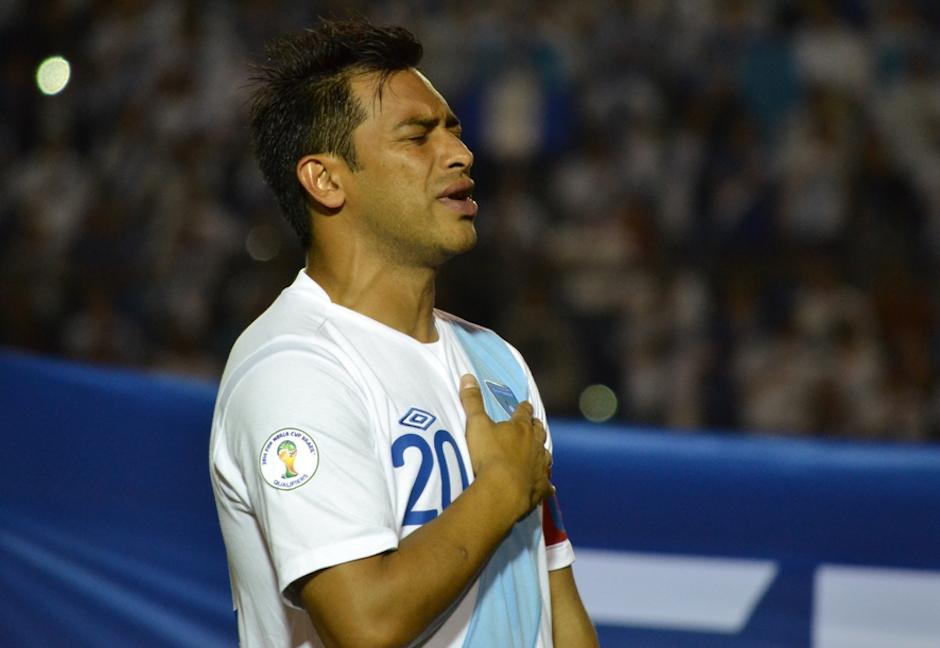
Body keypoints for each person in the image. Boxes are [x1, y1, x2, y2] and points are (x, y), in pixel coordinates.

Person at [209, 18, 598, 648]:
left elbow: (555, 604)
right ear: (326, 179)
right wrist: (500, 488)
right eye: (418, 137)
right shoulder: (293, 369)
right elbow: (364, 625)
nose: (461, 154)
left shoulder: (498, 361)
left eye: (454, 130)